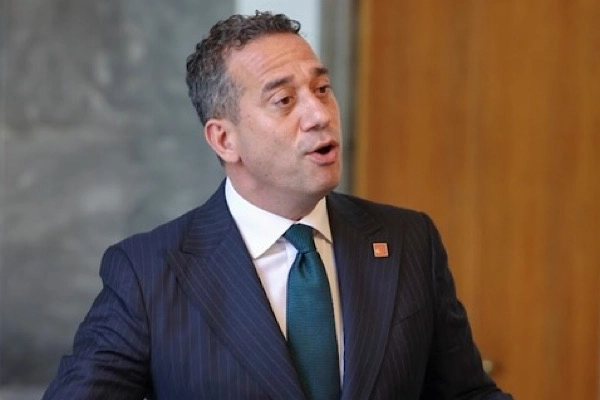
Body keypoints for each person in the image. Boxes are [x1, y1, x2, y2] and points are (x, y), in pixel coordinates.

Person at [43, 11, 512, 400]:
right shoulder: (149, 273)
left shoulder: (408, 240)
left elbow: (467, 393)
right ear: (224, 139)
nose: (319, 115)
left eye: (322, 89)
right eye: (284, 100)